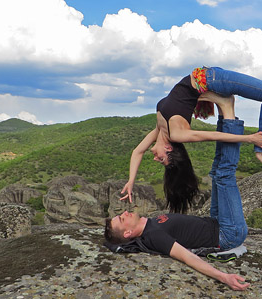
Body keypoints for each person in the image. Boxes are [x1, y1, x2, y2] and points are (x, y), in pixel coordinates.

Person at [120, 66, 262, 213]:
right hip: (211, 79)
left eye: (160, 162)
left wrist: (131, 181)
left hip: (209, 77)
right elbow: (213, 135)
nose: (156, 159)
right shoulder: (177, 134)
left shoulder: (160, 129)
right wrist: (249, 138)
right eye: (163, 161)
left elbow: (136, 152)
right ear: (169, 149)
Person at [106, 105, 250, 290]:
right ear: (127, 233)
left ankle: (225, 117)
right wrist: (223, 277)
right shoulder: (153, 236)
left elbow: (112, 241)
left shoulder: (151, 224)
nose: (124, 212)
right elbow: (187, 257)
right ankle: (230, 120)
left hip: (216, 222)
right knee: (224, 175)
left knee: (215, 173)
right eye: (121, 219)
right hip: (228, 234)